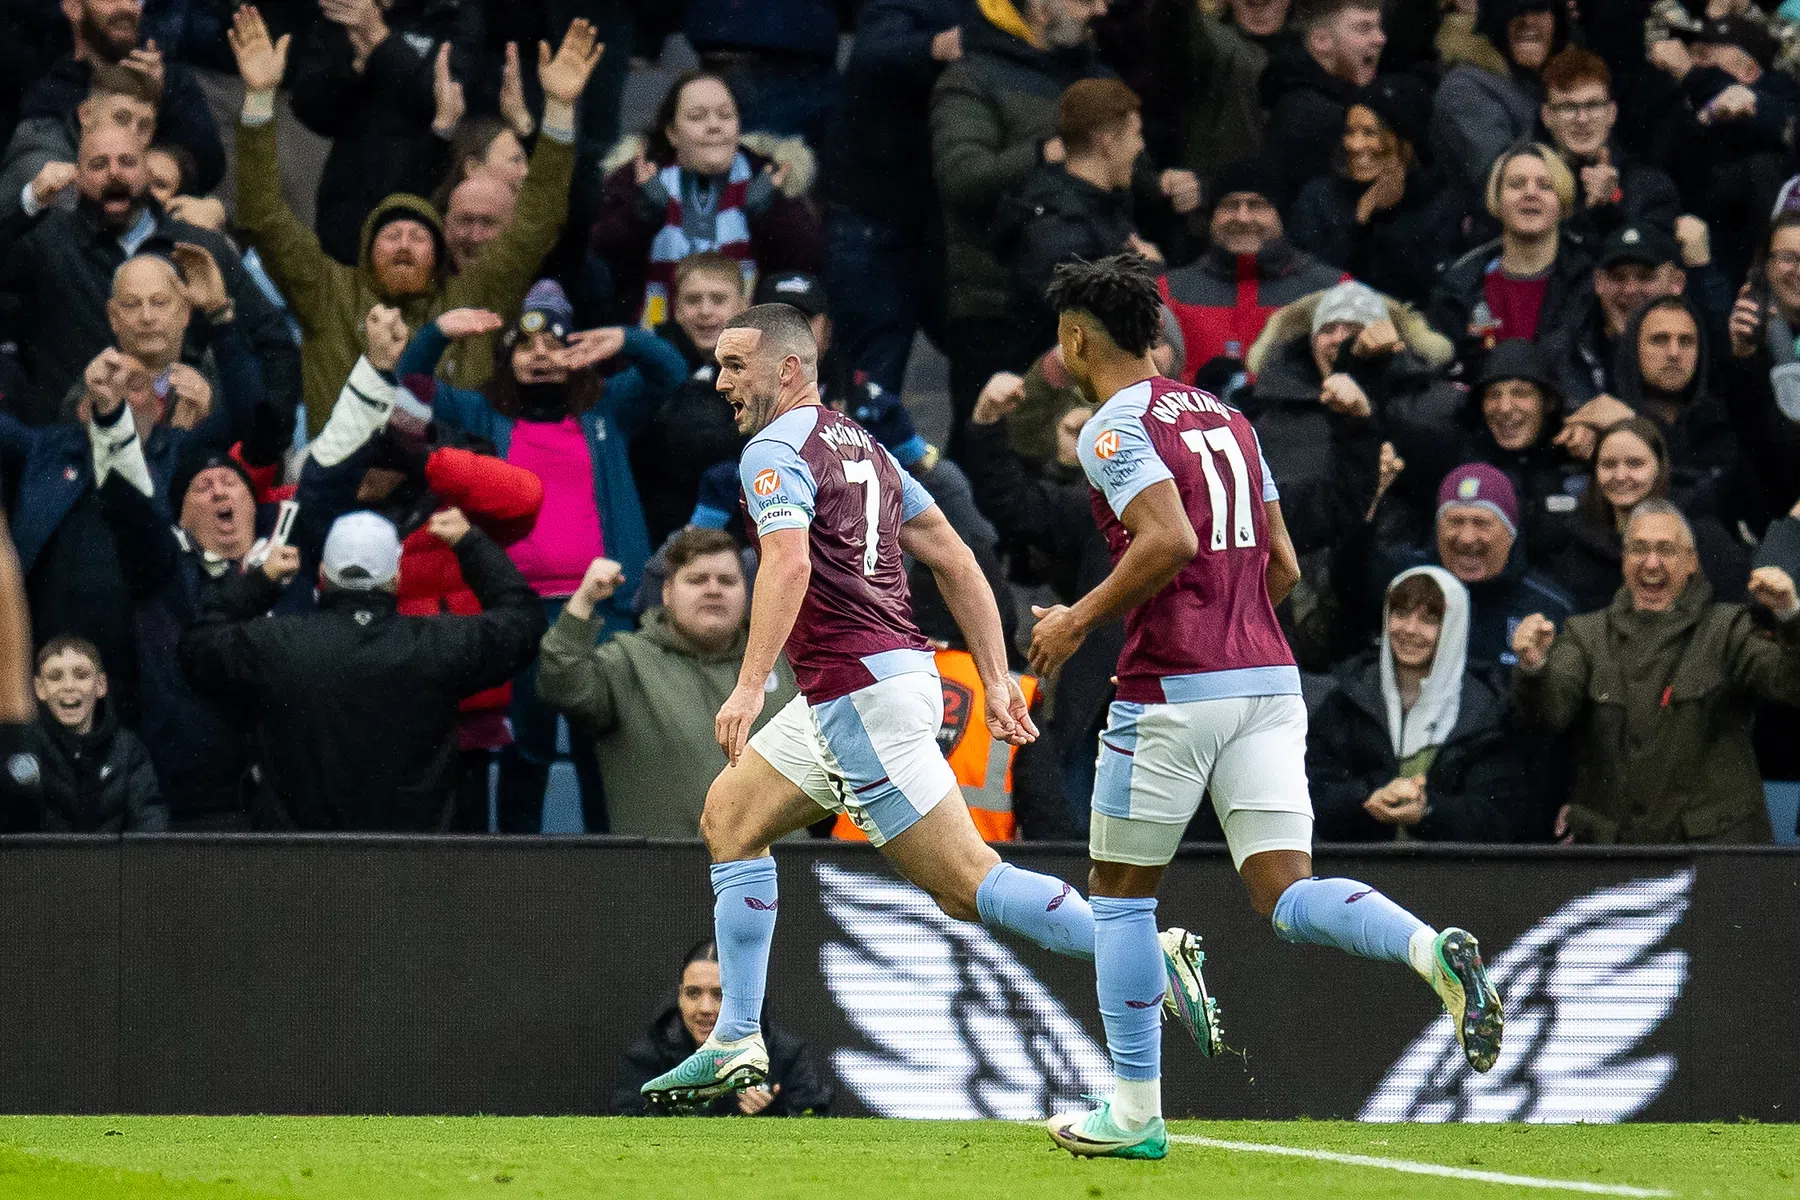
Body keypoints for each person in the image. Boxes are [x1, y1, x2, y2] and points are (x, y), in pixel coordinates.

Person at [636, 303, 1211, 1110]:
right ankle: (736, 1037)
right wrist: (999, 673)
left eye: (737, 365)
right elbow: (955, 553)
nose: (723, 382)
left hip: (860, 693)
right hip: (863, 686)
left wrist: (745, 683)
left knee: (967, 884)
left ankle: (1142, 950)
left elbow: (789, 564)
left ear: (790, 369)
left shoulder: (772, 449)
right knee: (729, 819)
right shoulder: (864, 447)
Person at [1025, 255, 1499, 1159]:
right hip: (1268, 685)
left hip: (1170, 688)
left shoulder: (1113, 426)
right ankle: (1429, 950)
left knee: (1121, 902)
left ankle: (1132, 1114)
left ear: (1078, 337)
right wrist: (1233, 633)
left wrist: (1079, 620)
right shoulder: (1230, 418)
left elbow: (1168, 539)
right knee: (1287, 893)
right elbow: (1280, 567)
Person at [395, 283, 686, 833]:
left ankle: (615, 866)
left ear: (576, 357)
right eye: (526, 347)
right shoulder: (482, 414)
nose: (541, 355)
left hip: (604, 611)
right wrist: (435, 334)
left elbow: (670, 372)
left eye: (555, 344)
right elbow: (412, 387)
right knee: (523, 750)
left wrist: (624, 338)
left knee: (599, 749)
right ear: (506, 361)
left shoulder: (608, 412)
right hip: (516, 613)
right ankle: (519, 875)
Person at [228, 7, 600, 434]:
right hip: (341, 485)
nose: (404, 243)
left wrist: (558, 111)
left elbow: (538, 219)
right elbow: (264, 216)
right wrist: (258, 100)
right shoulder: (328, 294)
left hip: (455, 482)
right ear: (367, 250)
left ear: (439, 251)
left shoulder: (475, 297)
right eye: (391, 235)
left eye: (418, 237)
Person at [179, 507, 547, 831]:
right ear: (396, 579)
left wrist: (261, 581)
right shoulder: (438, 646)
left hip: (297, 865)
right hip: (410, 867)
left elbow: (198, 645)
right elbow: (525, 622)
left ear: (322, 574)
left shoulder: (277, 645)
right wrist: (470, 543)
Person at [1513, 501, 1800, 843]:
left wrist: (1790, 616)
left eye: (1666, 550)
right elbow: (1550, 712)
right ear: (1623, 560)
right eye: (1639, 549)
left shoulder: (1728, 629)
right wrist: (1533, 666)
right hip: (1618, 857)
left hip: (1713, 854)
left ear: (1691, 561)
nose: (1651, 563)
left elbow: (1789, 684)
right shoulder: (1585, 635)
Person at [0, 124, 300, 428]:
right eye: (98, 164)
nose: (114, 173)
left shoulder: (201, 249)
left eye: (128, 162)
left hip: (184, 452)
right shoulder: (43, 241)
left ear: (146, 171)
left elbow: (274, 342)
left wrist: (263, 439)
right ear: (76, 176)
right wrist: (29, 202)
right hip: (71, 448)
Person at [931, 0, 1115, 445]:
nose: (1101, 9)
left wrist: (1160, 182)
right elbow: (961, 176)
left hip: (1080, 301)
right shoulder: (973, 76)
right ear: (1040, 7)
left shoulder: (1095, 79)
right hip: (996, 304)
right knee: (991, 446)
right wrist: (1042, 154)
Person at [536, 530, 801, 838]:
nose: (713, 590)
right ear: (666, 592)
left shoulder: (784, 661)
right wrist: (584, 600)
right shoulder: (627, 660)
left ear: (748, 592)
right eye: (697, 580)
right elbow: (561, 686)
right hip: (663, 875)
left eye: (727, 581)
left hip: (782, 872)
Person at [1307, 568, 1535, 842]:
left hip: (1447, 877)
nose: (1410, 630)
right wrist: (1370, 797)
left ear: (1453, 627)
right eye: (1400, 613)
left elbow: (1498, 816)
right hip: (1361, 871)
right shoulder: (1347, 700)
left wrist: (1429, 811)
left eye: (1429, 619)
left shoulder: (1487, 711)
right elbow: (1314, 793)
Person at [589, 70, 822, 329]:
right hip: (653, 340)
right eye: (698, 117)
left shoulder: (768, 175)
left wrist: (771, 213)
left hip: (748, 345)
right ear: (672, 133)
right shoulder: (636, 178)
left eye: (725, 115)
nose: (714, 125)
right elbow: (602, 267)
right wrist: (642, 216)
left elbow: (807, 263)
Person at [819, 0, 962, 393]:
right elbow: (874, 50)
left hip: (939, 218)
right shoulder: (898, 10)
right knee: (871, 377)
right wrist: (936, 45)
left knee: (981, 363)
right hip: (874, 213)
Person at [287, 2, 485, 265]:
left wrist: (382, 41)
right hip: (348, 196)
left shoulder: (452, 10)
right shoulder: (345, 8)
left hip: (428, 187)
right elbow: (307, 105)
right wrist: (354, 68)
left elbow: (445, 98)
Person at [11, 0, 225, 202]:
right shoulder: (51, 91)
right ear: (74, 7)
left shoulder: (172, 78)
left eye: (134, 0)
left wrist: (162, 101)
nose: (127, 7)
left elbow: (211, 167)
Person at [995, 79, 1157, 345]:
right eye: (1135, 134)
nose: (1140, 146)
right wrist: (1147, 273)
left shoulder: (1105, 207)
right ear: (1106, 142)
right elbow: (1090, 324)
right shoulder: (1057, 227)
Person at [1158, 160, 1345, 385]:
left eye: (1257, 205)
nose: (1242, 217)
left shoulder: (1332, 289)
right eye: (1230, 205)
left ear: (1281, 216)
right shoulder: (1170, 289)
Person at [1288, 76, 1466, 308]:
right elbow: (1310, 285)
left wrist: (1388, 219)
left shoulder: (1440, 202)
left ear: (1407, 143)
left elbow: (1427, 289)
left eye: (1370, 133)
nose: (1355, 144)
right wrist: (1360, 222)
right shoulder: (1319, 197)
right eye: (1350, 132)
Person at [1544, 417, 1746, 613]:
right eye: (1608, 465)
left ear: (1659, 468)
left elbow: (1737, 619)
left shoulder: (1703, 538)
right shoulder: (1576, 544)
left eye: (1635, 464)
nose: (1620, 476)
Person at [614, 941, 832, 1117]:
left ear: (744, 997)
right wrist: (676, 1106)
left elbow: (818, 1122)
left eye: (719, 995)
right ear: (679, 996)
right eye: (693, 993)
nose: (705, 1008)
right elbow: (626, 1126)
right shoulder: (647, 1057)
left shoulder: (785, 1054)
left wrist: (772, 1113)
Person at [1429, 143, 1592, 373]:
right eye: (1517, 184)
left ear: (1563, 201)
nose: (1530, 193)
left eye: (1545, 186)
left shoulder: (1589, 277)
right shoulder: (1459, 283)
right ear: (1497, 200)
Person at [637, 252, 752, 543]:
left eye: (718, 299)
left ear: (742, 305)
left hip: (741, 539)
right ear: (676, 308)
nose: (705, 311)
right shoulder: (648, 370)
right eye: (692, 300)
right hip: (663, 535)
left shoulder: (761, 374)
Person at [18, 635, 166, 832]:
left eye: (81, 675)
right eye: (55, 677)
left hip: (112, 863)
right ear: (39, 688)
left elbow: (150, 821)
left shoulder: (128, 749)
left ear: (101, 685)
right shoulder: (23, 747)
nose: (68, 686)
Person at [1537, 48, 1681, 249]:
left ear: (1611, 113)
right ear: (1547, 116)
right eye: (1568, 107)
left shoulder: (1650, 187)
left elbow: (1644, 268)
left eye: (1593, 105)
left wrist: (1607, 211)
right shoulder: (1530, 185)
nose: (1582, 119)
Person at [1428, 0, 1567, 197]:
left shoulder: (1568, 78)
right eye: (1514, 10)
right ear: (1494, 20)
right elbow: (1502, 181)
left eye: (1539, 8)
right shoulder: (1464, 87)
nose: (1527, 21)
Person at [1257, 0, 1386, 210]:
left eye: (1379, 27)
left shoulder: (1323, 99)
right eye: (1364, 28)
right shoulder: (1313, 114)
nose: (1380, 39)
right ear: (1321, 40)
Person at [0, 59, 158, 221]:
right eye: (121, 118)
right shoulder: (42, 161)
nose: (131, 134)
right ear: (86, 114)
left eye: (144, 126)